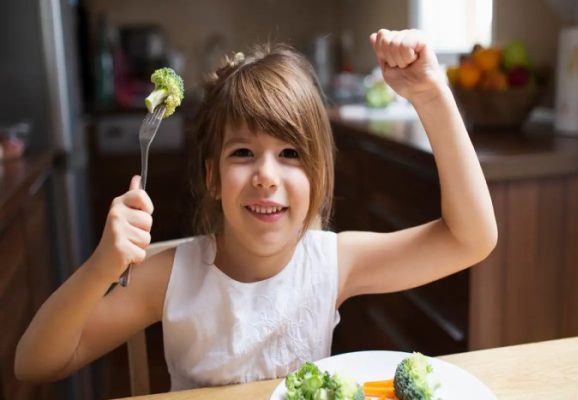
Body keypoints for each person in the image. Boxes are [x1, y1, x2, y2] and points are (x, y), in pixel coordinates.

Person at [15, 29, 497, 390]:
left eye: (290, 154)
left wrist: (431, 96)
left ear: (318, 177)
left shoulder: (333, 263)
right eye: (242, 153)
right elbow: (35, 363)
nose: (266, 175)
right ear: (212, 178)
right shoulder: (168, 278)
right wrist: (101, 266)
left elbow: (471, 238)